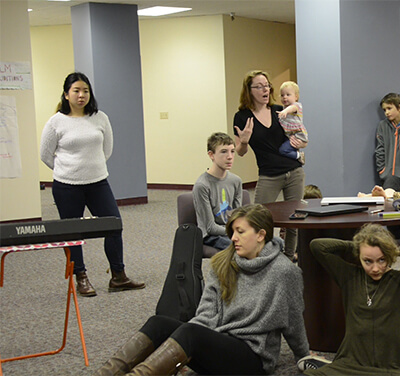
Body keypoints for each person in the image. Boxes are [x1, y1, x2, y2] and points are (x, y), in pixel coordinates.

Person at [94, 204, 318, 376]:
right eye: (232, 231)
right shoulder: (223, 262)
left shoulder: (284, 272)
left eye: (240, 232)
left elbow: (294, 321)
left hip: (253, 359)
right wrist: (182, 347)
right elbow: (206, 313)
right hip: (216, 345)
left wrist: (303, 356)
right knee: (160, 322)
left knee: (190, 333)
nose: (233, 238)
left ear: (260, 235)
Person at [40, 72, 144, 297]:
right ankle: (81, 277)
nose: (81, 95)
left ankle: (118, 275)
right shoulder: (56, 122)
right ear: (66, 94)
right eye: (76, 91)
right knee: (72, 232)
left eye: (85, 91)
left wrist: (91, 167)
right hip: (66, 186)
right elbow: (45, 154)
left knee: (114, 225)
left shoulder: (100, 118)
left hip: (98, 183)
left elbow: (107, 150)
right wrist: (67, 170)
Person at [307, 224, 400, 375]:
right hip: (349, 364)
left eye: (381, 260)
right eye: (368, 261)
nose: (375, 268)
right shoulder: (349, 276)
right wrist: (358, 245)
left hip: (390, 369)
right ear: (359, 257)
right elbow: (318, 246)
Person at [233, 70, 306, 261]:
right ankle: (265, 259)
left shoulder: (278, 110)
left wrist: (302, 143)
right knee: (260, 220)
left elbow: (297, 132)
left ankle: (289, 258)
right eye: (259, 86)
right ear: (249, 91)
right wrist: (245, 141)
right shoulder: (242, 117)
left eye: (267, 85)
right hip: (269, 175)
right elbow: (240, 151)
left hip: (293, 171)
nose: (265, 89)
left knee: (294, 219)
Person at [192, 132, 243, 251]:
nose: (230, 156)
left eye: (232, 151)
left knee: (275, 242)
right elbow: (210, 227)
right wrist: (239, 232)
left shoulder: (236, 181)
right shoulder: (202, 185)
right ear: (211, 155)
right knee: (246, 247)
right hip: (212, 236)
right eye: (224, 152)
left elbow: (237, 215)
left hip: (232, 231)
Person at [277, 81, 308, 165]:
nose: (284, 97)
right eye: (282, 95)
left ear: (296, 97)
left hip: (298, 135)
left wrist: (285, 111)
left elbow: (292, 108)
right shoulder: (283, 108)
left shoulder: (297, 106)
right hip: (290, 135)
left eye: (288, 95)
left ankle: (299, 156)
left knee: (283, 150)